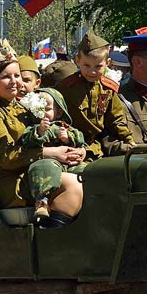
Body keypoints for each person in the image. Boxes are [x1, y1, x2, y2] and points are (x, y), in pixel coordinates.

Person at [0, 40, 85, 227]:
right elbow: (7, 157)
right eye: (5, 77)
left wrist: (76, 149)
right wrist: (50, 153)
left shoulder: (23, 107)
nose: (14, 82)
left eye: (17, 75)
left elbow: (52, 130)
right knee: (71, 185)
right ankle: (53, 243)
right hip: (5, 180)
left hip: (35, 169)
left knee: (93, 176)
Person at [55, 32, 134, 159]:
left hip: (97, 146)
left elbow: (116, 119)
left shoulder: (108, 89)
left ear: (108, 63)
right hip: (71, 144)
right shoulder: (66, 88)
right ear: (77, 61)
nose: (92, 71)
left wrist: (128, 139)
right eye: (86, 65)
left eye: (98, 66)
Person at [18, 87, 87, 219]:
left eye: (48, 109)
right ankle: (42, 201)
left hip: (69, 163)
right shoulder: (34, 127)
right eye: (40, 109)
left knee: (86, 171)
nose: (43, 113)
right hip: (48, 161)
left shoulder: (64, 126)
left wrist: (68, 138)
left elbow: (80, 139)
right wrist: (40, 132)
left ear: (59, 111)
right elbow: (27, 142)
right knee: (42, 168)